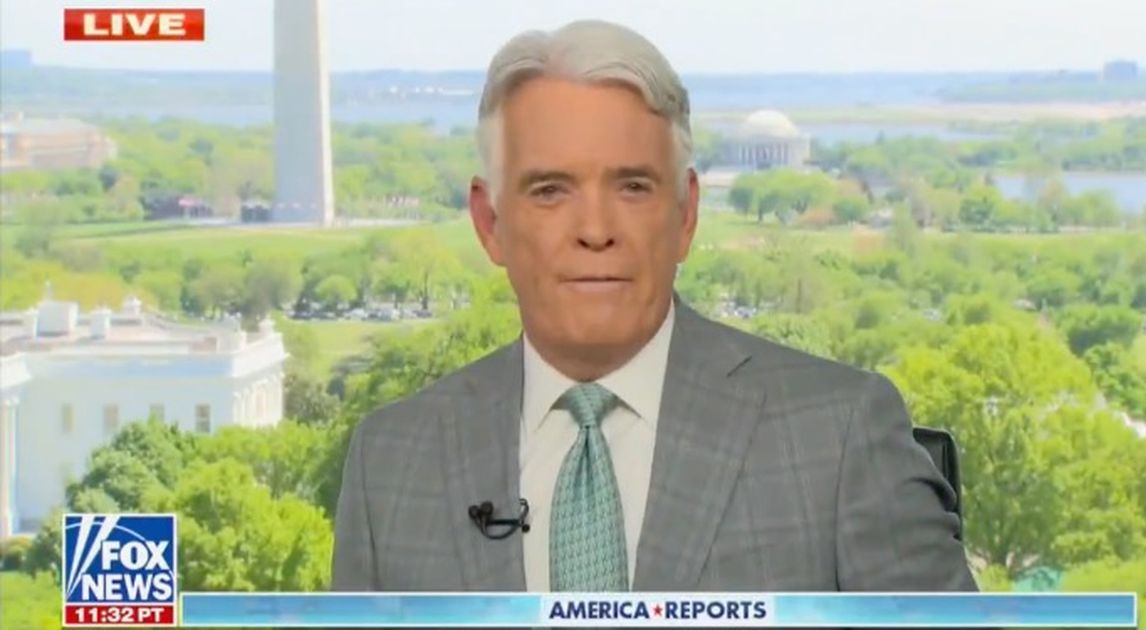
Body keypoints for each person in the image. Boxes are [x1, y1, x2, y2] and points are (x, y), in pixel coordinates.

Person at [332, 19, 977, 593]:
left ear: (686, 214)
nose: (595, 230)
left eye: (633, 187)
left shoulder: (838, 436)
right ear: (489, 223)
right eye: (550, 190)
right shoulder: (391, 462)